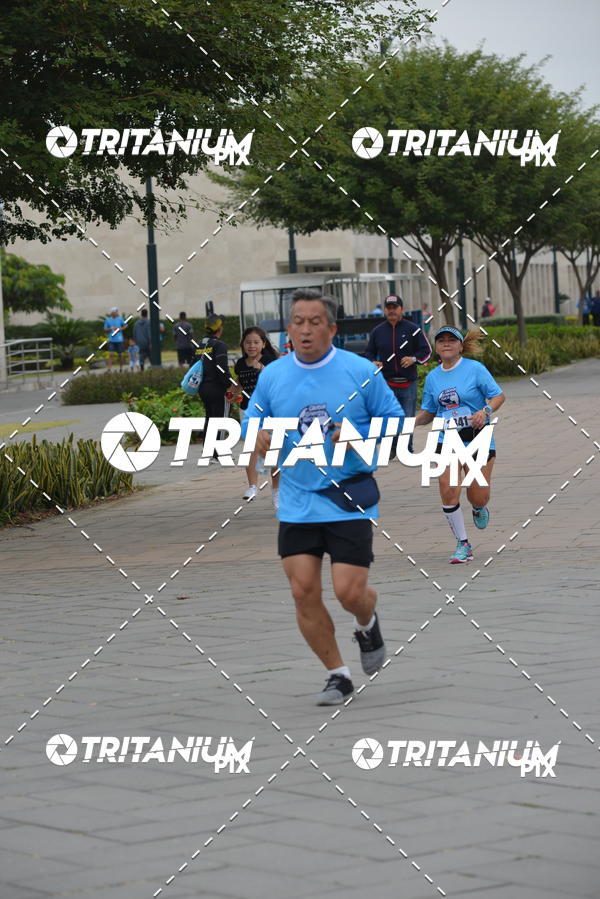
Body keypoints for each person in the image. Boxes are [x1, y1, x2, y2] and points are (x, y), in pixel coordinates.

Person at [244, 288, 405, 706]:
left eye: (315, 322)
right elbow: (251, 417)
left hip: (348, 496)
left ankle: (367, 621)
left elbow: (394, 420)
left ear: (331, 329)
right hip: (297, 500)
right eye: (298, 322)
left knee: (349, 592)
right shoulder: (273, 375)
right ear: (288, 328)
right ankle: (338, 675)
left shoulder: (360, 371)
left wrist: (357, 435)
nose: (305, 330)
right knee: (303, 591)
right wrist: (256, 433)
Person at [415, 326, 505, 564]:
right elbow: (429, 412)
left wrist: (485, 411)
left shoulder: (475, 369)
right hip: (447, 440)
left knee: (478, 496)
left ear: (460, 346)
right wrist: (411, 423)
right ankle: (463, 544)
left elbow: (498, 396)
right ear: (436, 347)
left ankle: (478, 508)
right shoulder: (433, 378)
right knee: (448, 489)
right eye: (441, 340)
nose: (446, 344)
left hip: (477, 438)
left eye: (451, 340)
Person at [364, 295, 432, 449]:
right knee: (389, 419)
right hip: (387, 384)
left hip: (408, 384)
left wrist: (413, 359)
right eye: (388, 308)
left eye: (395, 307)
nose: (392, 311)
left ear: (402, 309)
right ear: (384, 310)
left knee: (407, 420)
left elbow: (426, 351)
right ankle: (392, 449)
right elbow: (368, 352)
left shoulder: (413, 329)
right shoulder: (378, 331)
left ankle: (407, 449)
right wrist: (373, 362)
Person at [233, 327, 280, 506]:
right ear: (243, 345)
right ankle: (252, 486)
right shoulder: (240, 364)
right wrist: (232, 393)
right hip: (248, 411)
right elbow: (238, 385)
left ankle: (277, 491)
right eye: (248, 342)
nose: (251, 346)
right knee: (250, 448)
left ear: (263, 344)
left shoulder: (270, 361)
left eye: (255, 342)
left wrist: (262, 369)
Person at [196, 314, 231, 462]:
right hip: (217, 388)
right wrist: (229, 384)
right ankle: (218, 454)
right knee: (220, 420)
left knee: (209, 418)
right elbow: (222, 368)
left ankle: (208, 452)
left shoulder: (200, 344)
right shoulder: (219, 345)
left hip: (203, 388)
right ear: (219, 329)